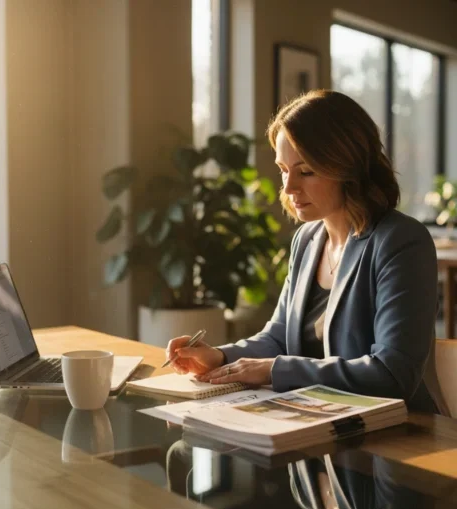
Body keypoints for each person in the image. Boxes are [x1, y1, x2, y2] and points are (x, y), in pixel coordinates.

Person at [166, 89, 448, 415]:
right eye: (284, 169)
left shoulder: (401, 241)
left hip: (397, 435)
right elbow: (278, 337)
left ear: (348, 166)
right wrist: (219, 356)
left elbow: (391, 374)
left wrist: (275, 370)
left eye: (306, 171)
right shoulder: (308, 239)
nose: (288, 187)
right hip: (317, 424)